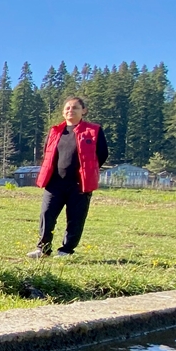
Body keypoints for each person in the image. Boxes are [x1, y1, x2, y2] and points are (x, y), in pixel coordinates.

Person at [27, 95, 109, 259]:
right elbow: (47, 153)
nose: (70, 110)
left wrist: (88, 170)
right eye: (67, 108)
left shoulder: (93, 131)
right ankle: (43, 249)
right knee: (46, 214)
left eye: (75, 107)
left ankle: (66, 250)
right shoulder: (55, 131)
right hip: (55, 183)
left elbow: (102, 153)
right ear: (63, 112)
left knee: (75, 218)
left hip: (79, 184)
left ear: (83, 111)